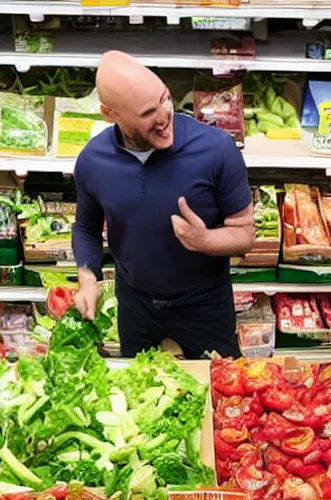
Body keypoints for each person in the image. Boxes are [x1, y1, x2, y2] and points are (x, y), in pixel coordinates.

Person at [72, 50, 255, 358]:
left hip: (205, 304)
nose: (164, 116)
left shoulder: (216, 149)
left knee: (219, 387)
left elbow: (246, 234)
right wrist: (87, 279)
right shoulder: (93, 161)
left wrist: (207, 240)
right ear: (109, 114)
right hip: (135, 305)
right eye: (146, 114)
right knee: (140, 395)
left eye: (165, 98)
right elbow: (86, 227)